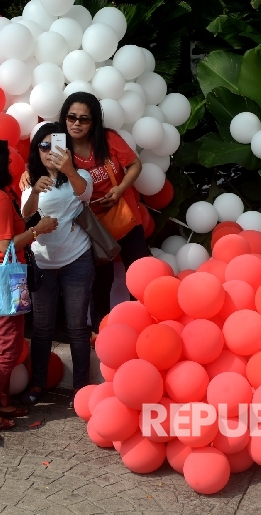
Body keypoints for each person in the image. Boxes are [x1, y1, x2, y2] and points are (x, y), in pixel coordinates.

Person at [0, 137, 58, 430]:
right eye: (6, 159)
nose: (10, 163)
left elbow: (16, 221)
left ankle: (0, 401)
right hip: (5, 277)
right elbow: (6, 245)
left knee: (3, 342)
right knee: (10, 346)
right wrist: (38, 230)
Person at [58, 92, 148, 339]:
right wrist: (27, 173)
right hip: (90, 224)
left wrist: (119, 189)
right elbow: (39, 164)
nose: (77, 123)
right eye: (71, 117)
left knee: (140, 272)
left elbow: (135, 164)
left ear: (94, 122)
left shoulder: (108, 140)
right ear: (64, 119)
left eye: (84, 119)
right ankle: (102, 331)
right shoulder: (58, 145)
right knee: (101, 279)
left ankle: (141, 324)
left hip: (123, 215)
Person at [19, 124, 95, 406]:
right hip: (42, 262)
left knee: (77, 327)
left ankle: (80, 389)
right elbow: (25, 215)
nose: (50, 152)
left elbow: (84, 194)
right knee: (42, 327)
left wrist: (69, 169)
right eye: (44, 146)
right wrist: (35, 190)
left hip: (77, 258)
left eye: (56, 145)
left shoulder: (80, 176)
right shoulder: (31, 182)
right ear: (36, 151)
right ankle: (38, 384)